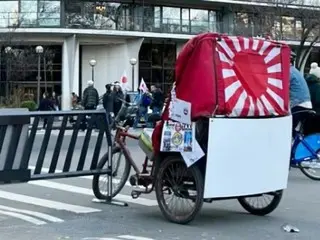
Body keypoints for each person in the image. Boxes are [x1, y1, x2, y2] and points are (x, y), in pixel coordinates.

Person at [289, 52, 313, 136]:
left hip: (298, 104)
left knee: (287, 128)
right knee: (295, 131)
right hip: (305, 104)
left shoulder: (288, 72)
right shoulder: (294, 70)